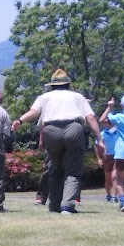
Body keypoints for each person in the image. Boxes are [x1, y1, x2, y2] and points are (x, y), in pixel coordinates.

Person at [12, 69, 105, 214]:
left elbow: (34, 112)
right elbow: (90, 118)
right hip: (74, 128)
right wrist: (99, 139)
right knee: (73, 170)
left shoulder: (45, 97)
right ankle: (67, 206)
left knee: (54, 170)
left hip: (51, 130)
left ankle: (54, 205)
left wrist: (20, 120)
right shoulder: (77, 97)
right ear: (68, 84)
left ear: (52, 85)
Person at [94, 124, 118, 203]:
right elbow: (97, 146)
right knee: (108, 178)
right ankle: (108, 195)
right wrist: (99, 159)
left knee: (114, 177)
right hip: (106, 157)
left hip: (117, 156)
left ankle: (115, 196)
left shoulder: (118, 132)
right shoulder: (102, 134)